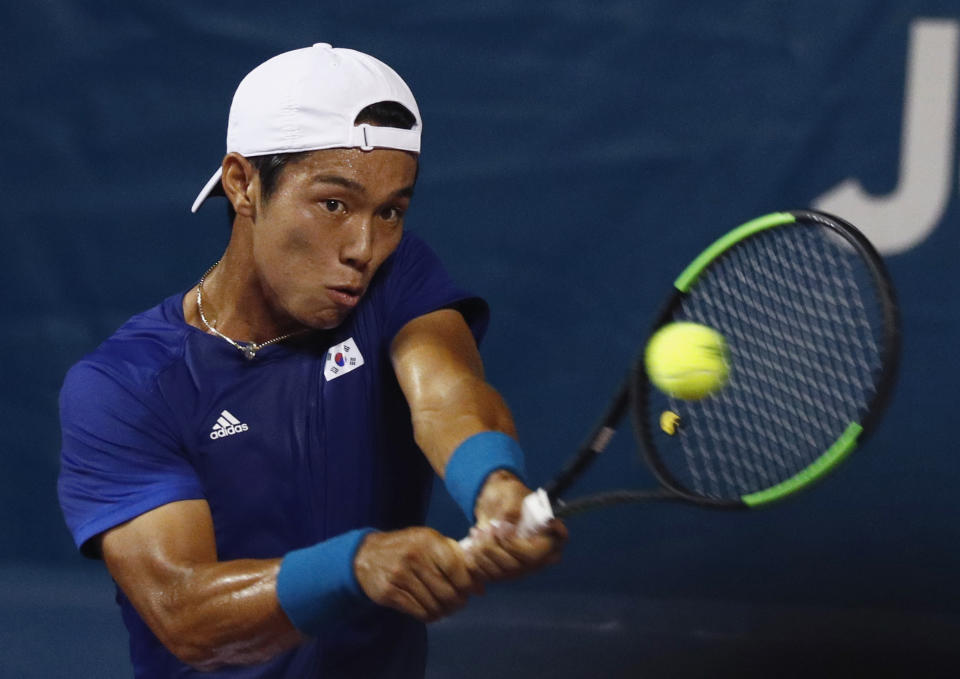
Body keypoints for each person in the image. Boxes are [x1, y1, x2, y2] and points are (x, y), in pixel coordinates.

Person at [57, 43, 566, 678]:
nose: (365, 247)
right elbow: (184, 613)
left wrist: (494, 483)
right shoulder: (124, 387)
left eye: (392, 212)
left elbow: (445, 391)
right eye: (334, 204)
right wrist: (356, 567)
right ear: (243, 184)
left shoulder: (395, 279)